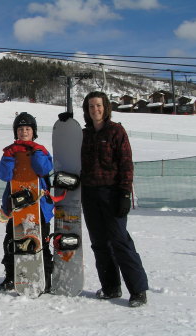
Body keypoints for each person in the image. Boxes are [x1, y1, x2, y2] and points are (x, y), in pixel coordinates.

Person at [80, 91, 148, 307]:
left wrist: (125, 193)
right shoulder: (84, 135)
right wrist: (67, 125)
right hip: (89, 195)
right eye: (91, 106)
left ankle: (138, 291)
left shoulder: (116, 131)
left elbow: (126, 163)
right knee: (99, 244)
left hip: (112, 194)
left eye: (98, 105)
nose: (95, 110)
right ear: (86, 110)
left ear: (105, 107)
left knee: (120, 241)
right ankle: (110, 287)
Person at [0, 112, 54, 292]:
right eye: (20, 129)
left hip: (39, 207)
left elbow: (43, 169)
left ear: (33, 131)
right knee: (13, 241)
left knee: (39, 242)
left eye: (27, 129)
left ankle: (45, 278)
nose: (24, 132)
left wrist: (34, 151)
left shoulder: (41, 150)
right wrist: (8, 157)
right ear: (15, 132)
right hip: (15, 206)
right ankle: (11, 277)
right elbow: (3, 175)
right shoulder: (10, 151)